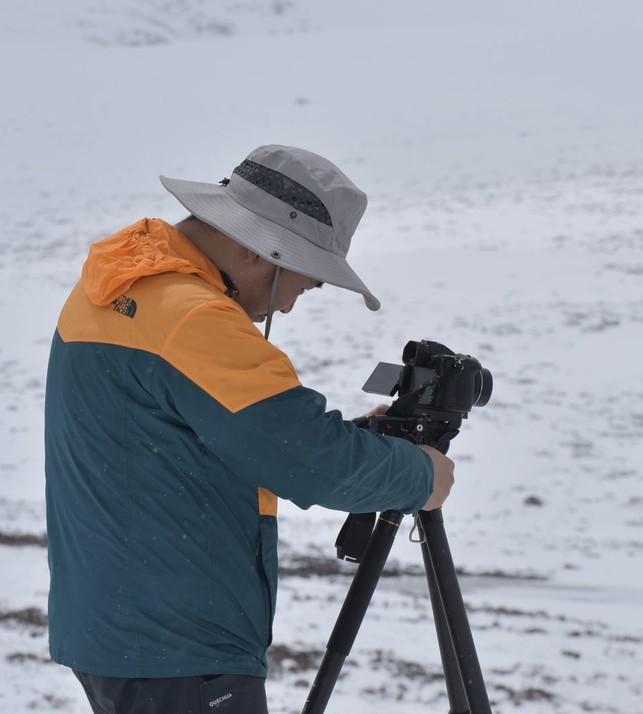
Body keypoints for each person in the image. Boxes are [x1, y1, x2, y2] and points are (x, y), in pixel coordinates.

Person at [43, 145, 455, 713]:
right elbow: (310, 461)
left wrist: (360, 438)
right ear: (260, 252)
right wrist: (420, 474)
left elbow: (208, 438)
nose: (286, 308)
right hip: (182, 645)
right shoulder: (195, 317)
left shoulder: (120, 287)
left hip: (116, 627)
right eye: (304, 284)